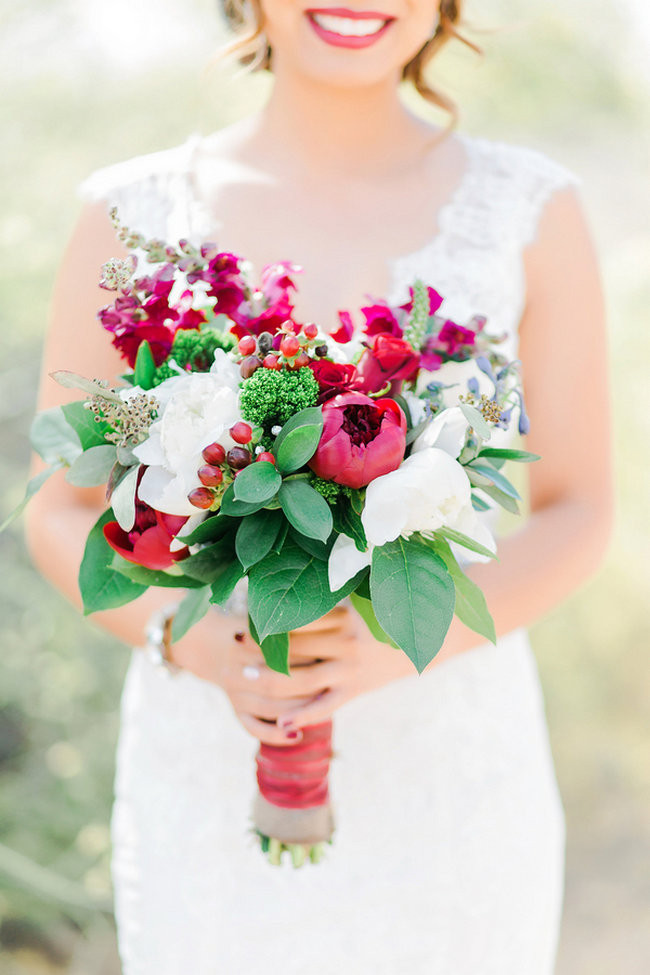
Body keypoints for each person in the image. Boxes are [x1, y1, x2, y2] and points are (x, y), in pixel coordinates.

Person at [26, 1, 612, 972]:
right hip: (207, 750)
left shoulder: (528, 211)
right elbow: (59, 509)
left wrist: (397, 653)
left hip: (451, 759)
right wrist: (199, 646)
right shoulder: (129, 216)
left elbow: (579, 509)